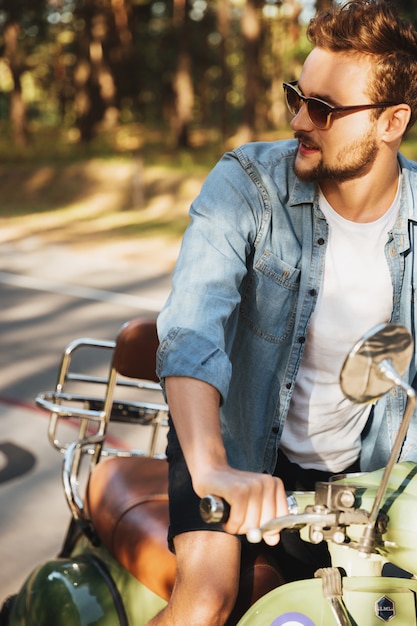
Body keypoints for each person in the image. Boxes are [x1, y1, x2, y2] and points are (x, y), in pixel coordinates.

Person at [151, 1, 417, 624]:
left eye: (323, 109)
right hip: (233, 448)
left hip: (364, 480)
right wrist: (214, 467)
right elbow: (191, 330)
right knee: (207, 602)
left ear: (391, 122)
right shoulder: (248, 185)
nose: (300, 118)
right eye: (297, 96)